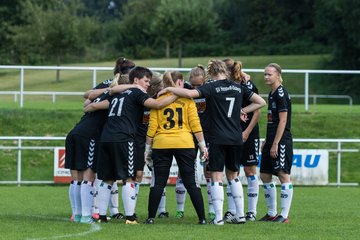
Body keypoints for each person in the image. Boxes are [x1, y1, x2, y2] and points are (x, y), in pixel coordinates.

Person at [158, 59, 266, 225]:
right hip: (236, 137)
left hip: (218, 137)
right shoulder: (238, 87)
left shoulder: (212, 87)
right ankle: (241, 215)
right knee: (234, 176)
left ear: (211, 73)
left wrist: (168, 88)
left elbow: (188, 94)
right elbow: (261, 102)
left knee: (216, 177)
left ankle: (218, 218)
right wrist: (242, 110)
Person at [84, 66, 177, 224]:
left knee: (107, 178)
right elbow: (157, 104)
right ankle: (130, 217)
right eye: (146, 81)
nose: (148, 84)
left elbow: (97, 101)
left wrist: (88, 107)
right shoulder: (137, 92)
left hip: (106, 138)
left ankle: (101, 216)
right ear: (136, 80)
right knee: (129, 177)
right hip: (123, 138)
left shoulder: (119, 93)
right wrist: (176, 94)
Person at [65, 57, 135, 224]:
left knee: (77, 177)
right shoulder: (120, 93)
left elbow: (87, 101)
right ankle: (86, 216)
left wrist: (95, 102)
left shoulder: (108, 85)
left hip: (76, 132)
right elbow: (90, 102)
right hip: (90, 134)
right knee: (89, 175)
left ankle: (78, 214)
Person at [144, 71, 208, 225]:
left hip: (161, 143)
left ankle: (151, 218)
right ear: (179, 82)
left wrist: (147, 149)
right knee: (191, 183)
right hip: (184, 143)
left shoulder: (157, 99)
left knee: (158, 182)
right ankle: (202, 219)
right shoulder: (188, 100)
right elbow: (195, 125)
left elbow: (152, 127)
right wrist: (202, 146)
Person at [223, 58, 261, 222]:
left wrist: (246, 132)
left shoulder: (248, 85)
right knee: (232, 171)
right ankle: (232, 211)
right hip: (230, 132)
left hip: (248, 132)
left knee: (250, 171)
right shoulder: (223, 86)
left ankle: (251, 212)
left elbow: (258, 110)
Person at [259, 63, 293, 223]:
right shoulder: (271, 93)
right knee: (265, 174)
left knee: (282, 174)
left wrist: (275, 143)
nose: (266, 77)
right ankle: (272, 213)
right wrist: (267, 141)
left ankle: (284, 216)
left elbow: (283, 120)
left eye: (269, 74)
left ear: (278, 75)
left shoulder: (281, 93)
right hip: (272, 139)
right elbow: (272, 120)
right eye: (265, 74)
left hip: (281, 140)